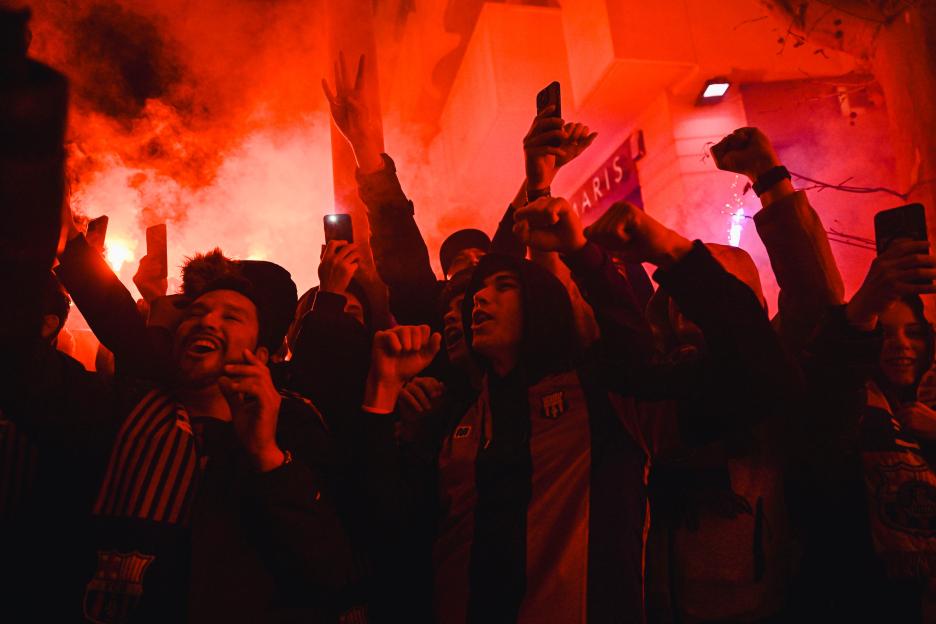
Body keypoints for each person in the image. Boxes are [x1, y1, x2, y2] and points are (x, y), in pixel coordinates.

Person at [353, 195, 797, 623]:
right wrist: (381, 397)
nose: (479, 300)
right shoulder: (456, 419)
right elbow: (391, 533)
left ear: (542, 302)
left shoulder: (606, 400)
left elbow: (759, 375)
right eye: (477, 292)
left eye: (504, 286)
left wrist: (668, 251)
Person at [1, 219, 355, 622]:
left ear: (262, 354)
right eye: (197, 312)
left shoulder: (296, 428)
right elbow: (17, 361)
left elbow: (331, 574)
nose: (206, 321)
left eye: (231, 317)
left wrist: (267, 457)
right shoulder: (120, 408)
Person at [643, 127, 847, 623]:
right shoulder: (647, 387)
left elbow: (814, 297)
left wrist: (768, 176)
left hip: (759, 604)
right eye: (674, 298)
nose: (683, 312)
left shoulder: (769, 366)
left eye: (709, 295)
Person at [322, 54, 595, 330]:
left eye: (479, 257)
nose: (474, 261)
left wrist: (543, 174)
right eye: (462, 261)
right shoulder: (429, 317)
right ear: (445, 280)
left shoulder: (527, 335)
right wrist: (362, 144)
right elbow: (400, 243)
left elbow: (511, 238)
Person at [796, 238, 936, 623]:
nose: (901, 346)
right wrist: (862, 311)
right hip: (862, 601)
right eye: (887, 334)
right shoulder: (853, 402)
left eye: (914, 333)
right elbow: (830, 384)